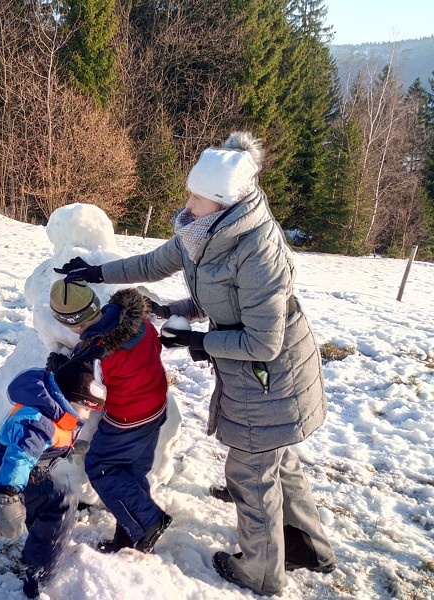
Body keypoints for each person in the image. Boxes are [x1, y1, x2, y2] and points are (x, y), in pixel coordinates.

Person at [55, 132, 336, 596]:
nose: (187, 202)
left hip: (273, 377)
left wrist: (199, 340)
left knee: (251, 475)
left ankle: (262, 572)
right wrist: (98, 273)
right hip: (252, 376)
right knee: (279, 463)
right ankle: (308, 546)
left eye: (196, 196)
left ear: (225, 202)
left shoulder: (258, 252)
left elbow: (264, 341)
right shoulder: (201, 231)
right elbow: (154, 263)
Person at [48, 278, 172, 555]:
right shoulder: (138, 321)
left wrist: (63, 371)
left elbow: (92, 396)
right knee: (131, 471)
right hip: (155, 408)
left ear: (68, 322)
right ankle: (129, 535)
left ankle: (150, 519)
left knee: (100, 466)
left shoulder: (94, 352)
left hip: (127, 419)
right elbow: (155, 347)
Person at [0, 358, 103, 598]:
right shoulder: (38, 422)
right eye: (87, 407)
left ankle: (37, 550)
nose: (89, 414)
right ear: (69, 399)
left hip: (30, 472)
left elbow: (53, 440)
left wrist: (70, 448)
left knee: (47, 508)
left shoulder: (54, 409)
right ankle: (39, 575)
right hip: (11, 479)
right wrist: (8, 496)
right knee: (62, 502)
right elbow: (20, 456)